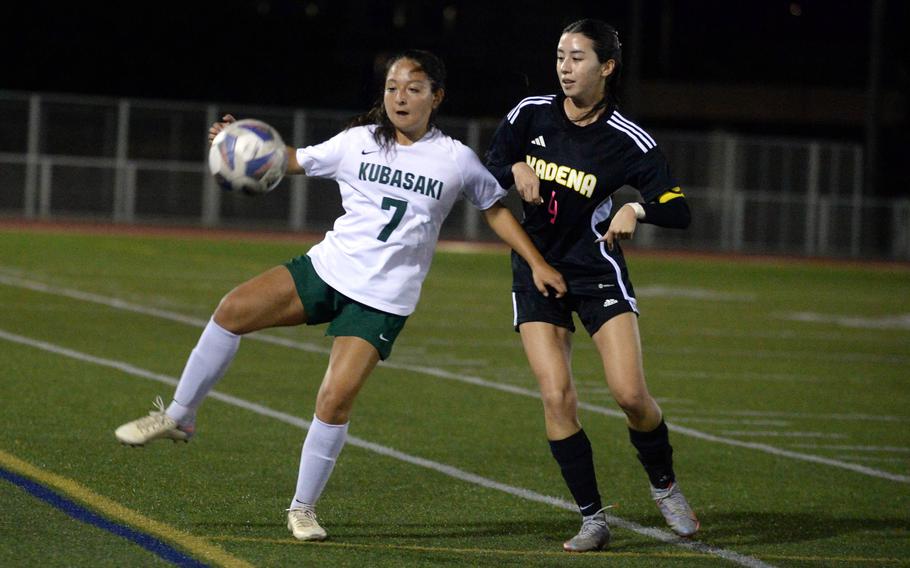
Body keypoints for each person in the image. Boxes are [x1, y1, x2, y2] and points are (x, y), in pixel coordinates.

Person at [114, 49, 567, 542]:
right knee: (232, 310)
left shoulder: (456, 159)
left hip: (382, 299)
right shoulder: (357, 142)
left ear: (436, 97)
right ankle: (180, 415)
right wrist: (237, 143)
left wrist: (537, 262)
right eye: (393, 87)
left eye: (414, 89)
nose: (400, 97)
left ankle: (302, 509)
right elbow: (290, 160)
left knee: (334, 398)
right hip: (327, 269)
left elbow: (494, 208)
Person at [485, 19, 698, 552]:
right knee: (557, 397)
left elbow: (680, 208)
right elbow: (487, 169)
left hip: (595, 270)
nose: (564, 66)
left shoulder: (627, 138)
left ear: (607, 67)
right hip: (536, 268)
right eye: (560, 55)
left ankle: (664, 484)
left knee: (630, 395)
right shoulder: (528, 113)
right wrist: (514, 164)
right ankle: (592, 519)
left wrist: (635, 206)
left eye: (577, 57)